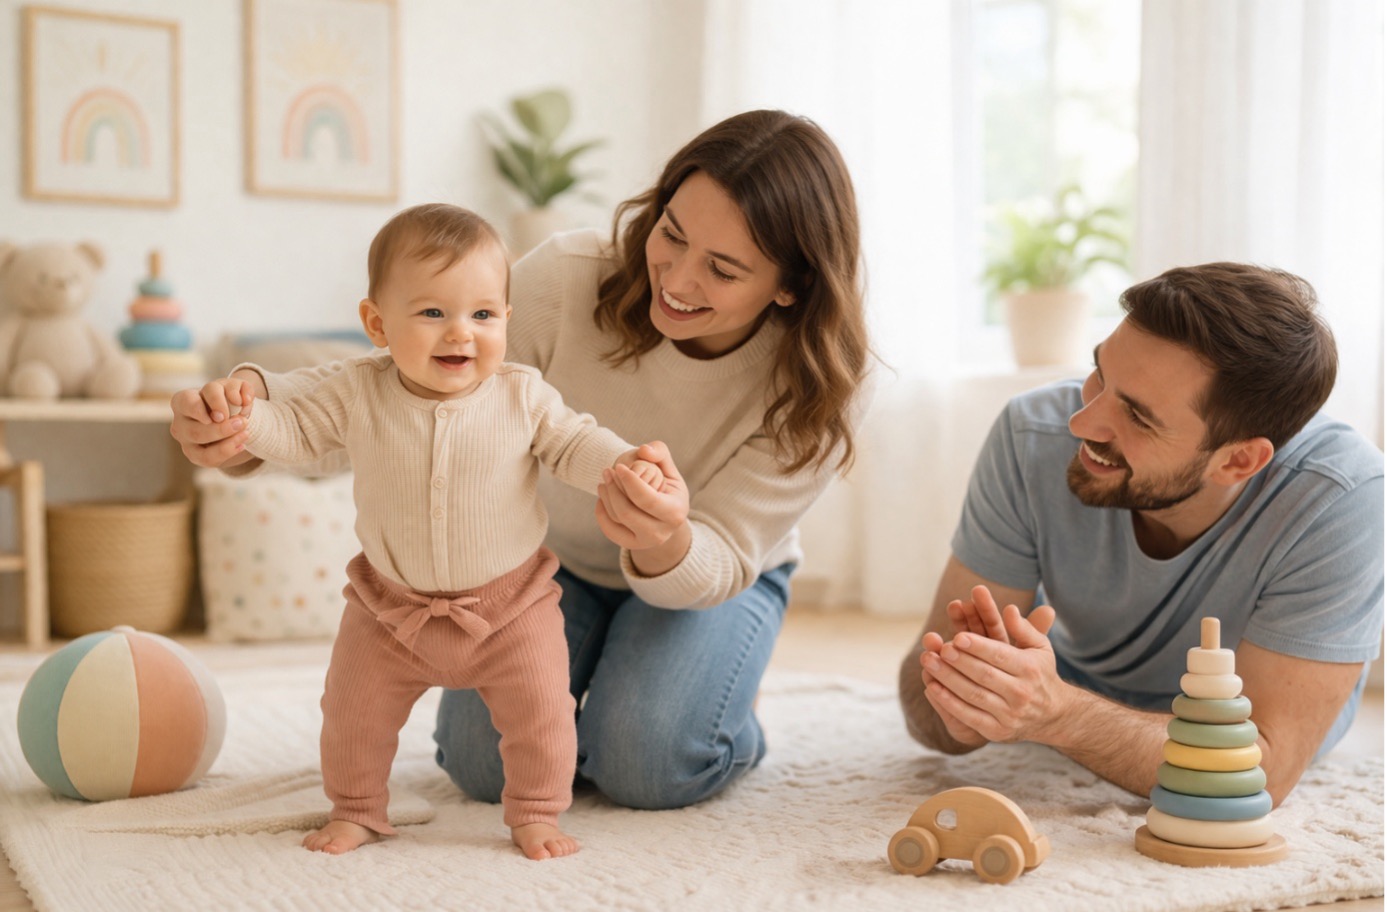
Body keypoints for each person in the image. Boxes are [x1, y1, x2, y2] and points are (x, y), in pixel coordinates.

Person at [170, 110, 873, 813]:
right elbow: (390, 390)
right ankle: (619, 679)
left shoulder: (823, 381)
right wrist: (249, 421)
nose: (677, 279)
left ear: (790, 285)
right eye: (671, 234)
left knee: (647, 762)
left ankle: (724, 717)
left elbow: (720, 556)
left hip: (711, 577)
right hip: (540, 567)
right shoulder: (568, 280)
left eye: (722, 269)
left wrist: (664, 538)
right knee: (481, 766)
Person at [194, 203, 666, 860]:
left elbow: (573, 442)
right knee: (352, 713)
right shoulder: (359, 391)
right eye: (432, 313)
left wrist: (623, 463)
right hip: (389, 610)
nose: (459, 334)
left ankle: (535, 811)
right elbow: (295, 431)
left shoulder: (521, 395)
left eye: (482, 314)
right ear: (377, 324)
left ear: (505, 316)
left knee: (542, 714)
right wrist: (244, 423)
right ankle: (357, 807)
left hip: (510, 609)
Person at [897, 262, 1383, 806]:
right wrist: (964, 705)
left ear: (1239, 460)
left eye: (1139, 417)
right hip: (1079, 684)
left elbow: (1258, 771)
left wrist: (1062, 716)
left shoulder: (1342, 497)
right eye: (1100, 374)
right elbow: (922, 699)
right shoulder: (1030, 434)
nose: (1082, 424)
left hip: (1215, 715)